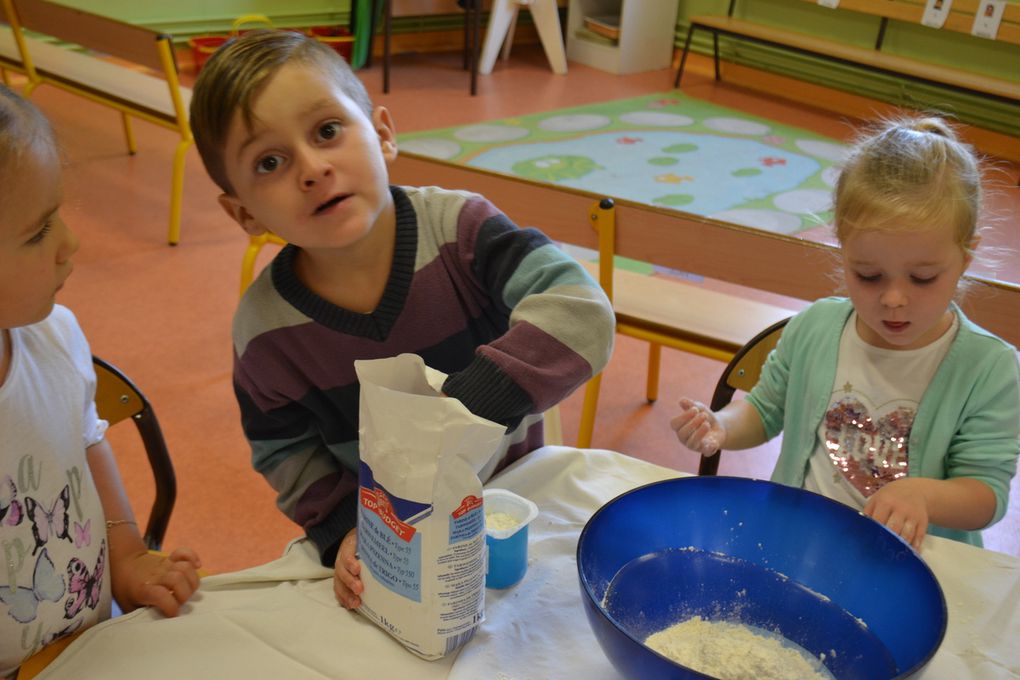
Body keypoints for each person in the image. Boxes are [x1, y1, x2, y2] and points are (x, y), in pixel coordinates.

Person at [188, 31, 614, 610]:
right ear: (243, 212)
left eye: (327, 131)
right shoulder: (265, 331)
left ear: (383, 133)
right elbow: (283, 450)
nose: (312, 169)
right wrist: (342, 525)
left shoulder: (462, 230)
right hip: (395, 541)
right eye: (270, 162)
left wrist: (463, 411)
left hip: (514, 509)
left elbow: (581, 311)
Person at [671, 116, 1020, 551]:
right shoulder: (816, 328)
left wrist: (923, 495)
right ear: (844, 250)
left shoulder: (988, 367)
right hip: (802, 542)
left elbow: (987, 494)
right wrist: (720, 425)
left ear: (966, 258)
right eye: (869, 275)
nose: (894, 299)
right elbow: (764, 410)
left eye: (923, 278)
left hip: (914, 566)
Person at [0, 85, 202, 677]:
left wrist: (130, 556)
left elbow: (84, 442)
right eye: (38, 232)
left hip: (94, 646)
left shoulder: (55, 337)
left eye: (57, 213)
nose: (70, 243)